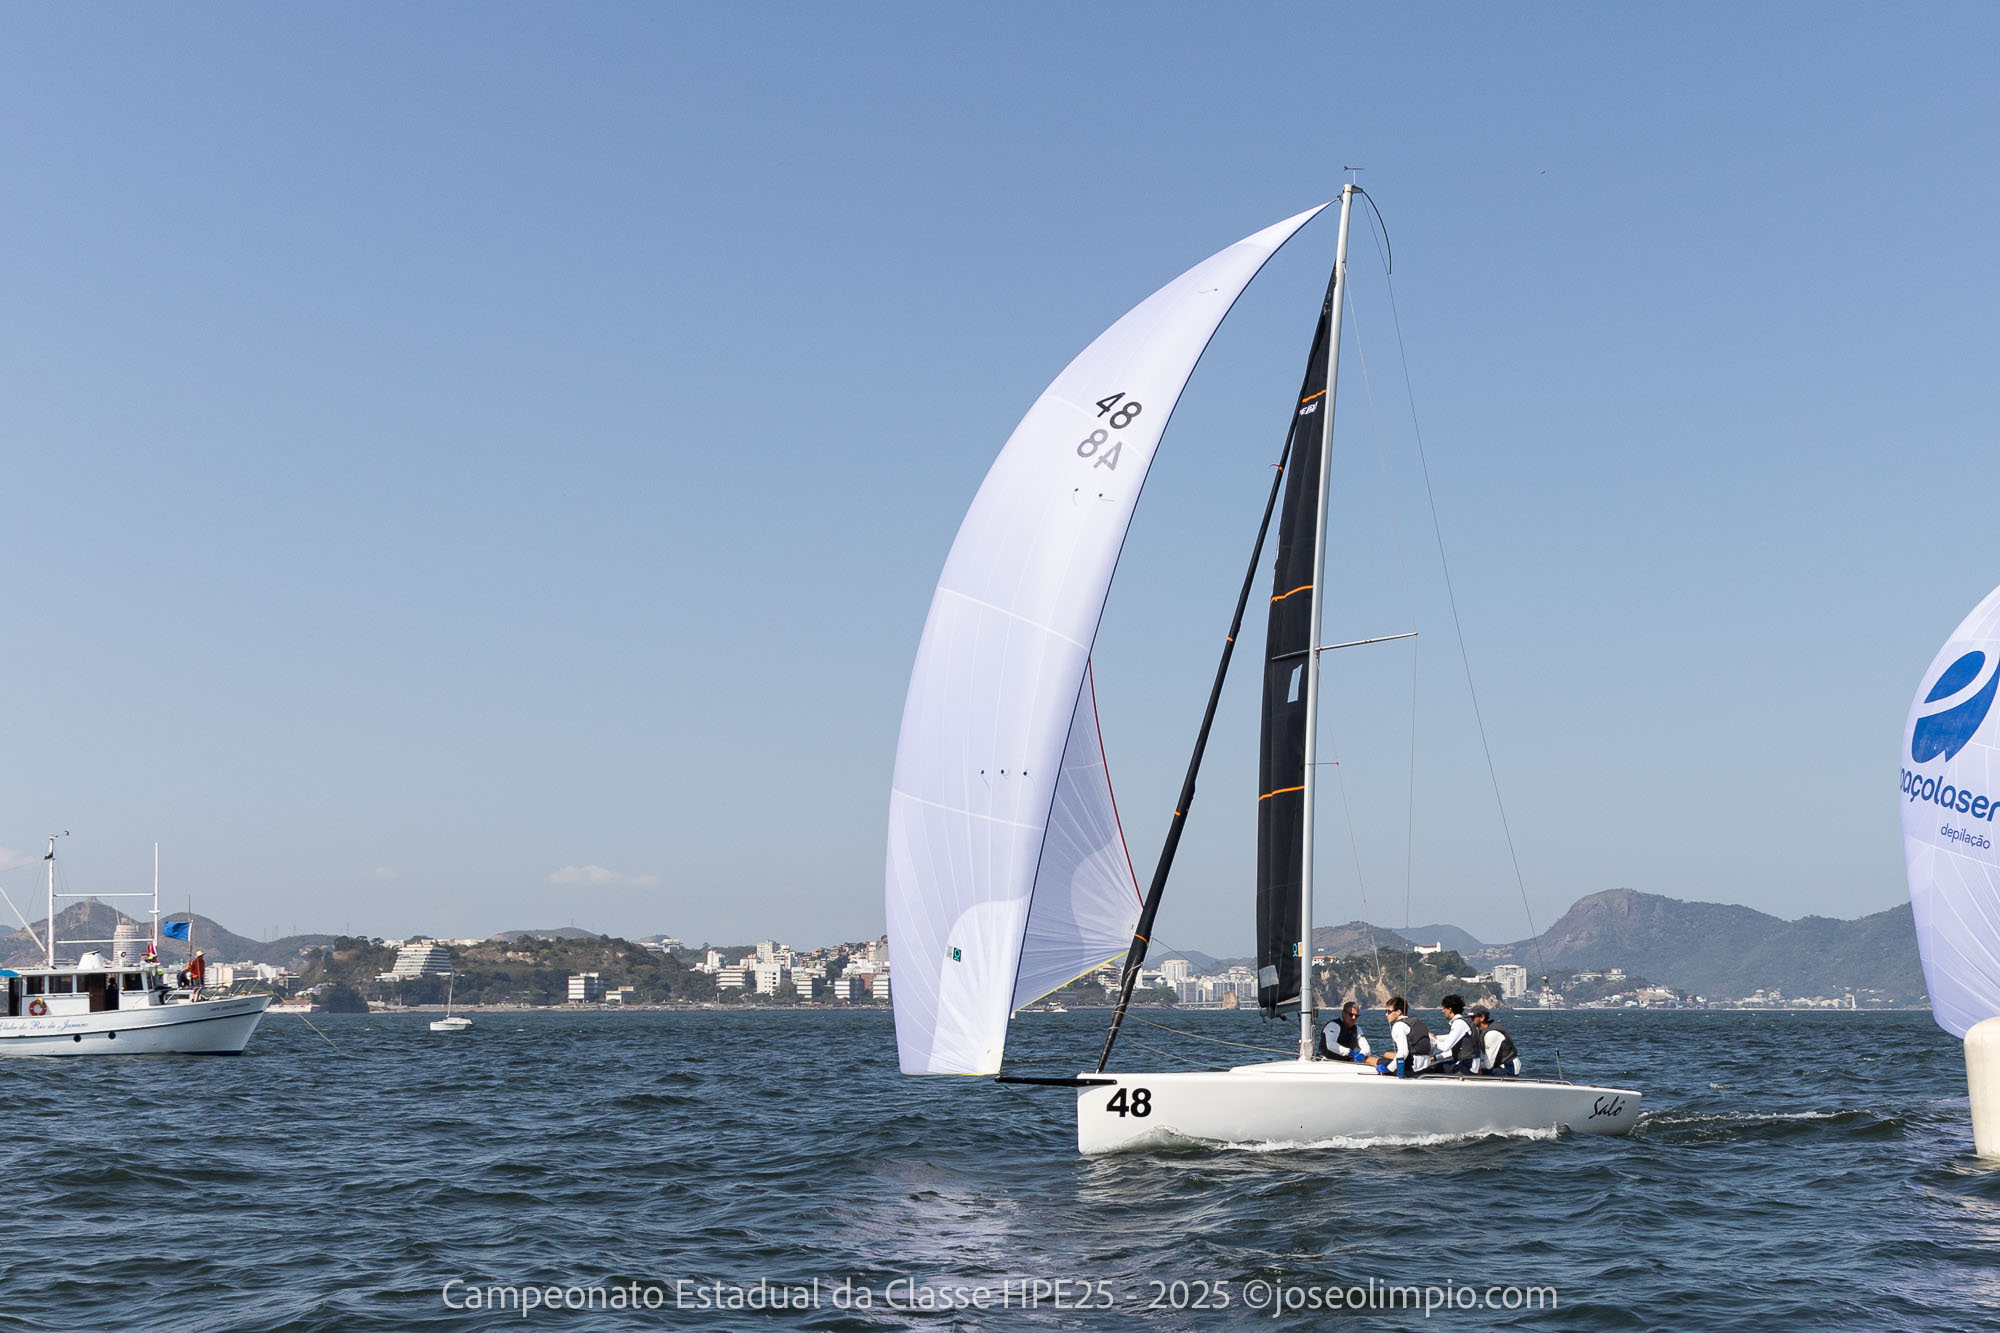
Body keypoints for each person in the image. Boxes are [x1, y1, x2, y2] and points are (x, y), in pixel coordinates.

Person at [1362, 996, 1432, 1077]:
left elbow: (1403, 1052)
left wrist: (1389, 1069)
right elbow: (1431, 1044)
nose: (1386, 1014)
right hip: (1425, 1066)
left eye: (1389, 1011)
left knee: (1369, 1059)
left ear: (1398, 1012)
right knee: (1386, 1054)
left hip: (1411, 1069)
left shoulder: (1398, 1025)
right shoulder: (1418, 1023)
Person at [1430, 994, 1479, 1074]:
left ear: (1450, 1009)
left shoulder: (1459, 1023)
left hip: (1467, 1066)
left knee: (1433, 1069)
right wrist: (1437, 1038)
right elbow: (1451, 1037)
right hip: (1470, 1063)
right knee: (1437, 1067)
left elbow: (1445, 1047)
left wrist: (1433, 1040)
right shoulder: (1464, 1021)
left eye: (1444, 1008)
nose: (1442, 1011)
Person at [1470, 1005, 1521, 1076]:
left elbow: (1488, 1065)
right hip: (1498, 1064)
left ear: (1482, 1018)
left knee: (1472, 1072)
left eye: (1473, 1018)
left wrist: (1476, 1067)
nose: (1471, 1020)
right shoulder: (1481, 1030)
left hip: (1508, 1067)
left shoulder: (1491, 1034)